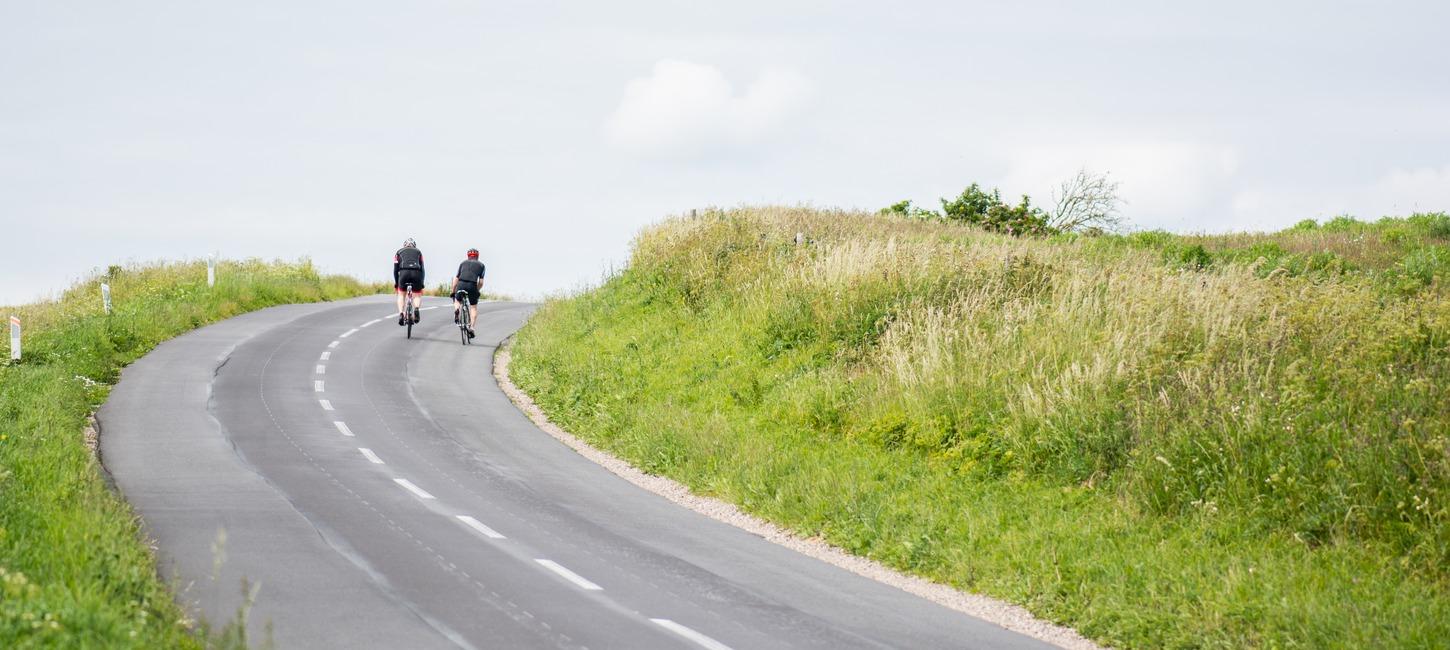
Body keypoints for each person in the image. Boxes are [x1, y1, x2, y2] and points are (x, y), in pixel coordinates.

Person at [451, 248, 486, 338]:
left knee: (457, 300)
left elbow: (456, 279)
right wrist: (476, 290)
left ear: (468, 256)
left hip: (461, 284)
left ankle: (457, 310)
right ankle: (472, 328)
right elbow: (481, 282)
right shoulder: (482, 265)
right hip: (472, 285)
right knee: (473, 307)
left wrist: (453, 291)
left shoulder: (462, 263)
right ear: (477, 256)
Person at [394, 238, 425, 325]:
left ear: (404, 245)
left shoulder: (399, 252)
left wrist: (397, 284)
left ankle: (401, 313)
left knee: (401, 294)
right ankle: (416, 309)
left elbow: (395, 269)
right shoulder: (419, 252)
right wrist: (421, 283)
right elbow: (422, 269)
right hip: (416, 273)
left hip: (404, 273)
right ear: (414, 246)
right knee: (417, 294)